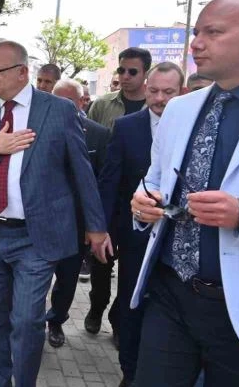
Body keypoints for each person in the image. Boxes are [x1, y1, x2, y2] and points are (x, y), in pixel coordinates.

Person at [131, 0, 239, 386]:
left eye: (213, 32)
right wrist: (143, 202)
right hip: (170, 293)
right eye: (197, 32)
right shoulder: (180, 109)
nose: (196, 43)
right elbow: (154, 179)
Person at [0, 41, 111, 387]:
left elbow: (82, 171)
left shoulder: (58, 111)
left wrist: (97, 227)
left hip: (36, 237)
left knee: (26, 322)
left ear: (23, 72)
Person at [97, 62, 184, 387]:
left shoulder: (192, 126)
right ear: (146, 88)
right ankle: (129, 372)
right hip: (135, 236)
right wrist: (101, 229)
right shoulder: (126, 127)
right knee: (130, 306)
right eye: (154, 91)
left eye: (168, 92)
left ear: (182, 92)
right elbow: (110, 180)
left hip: (180, 240)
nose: (159, 99)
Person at [85, 47, 151, 340]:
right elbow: (88, 145)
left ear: (145, 73)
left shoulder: (157, 105)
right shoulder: (102, 105)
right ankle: (96, 307)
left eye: (132, 71)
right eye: (121, 70)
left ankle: (119, 318)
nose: (125, 76)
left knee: (131, 268)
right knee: (101, 261)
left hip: (141, 202)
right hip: (107, 196)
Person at [45, 79, 110, 349]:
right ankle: (30, 323)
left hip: (77, 224)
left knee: (67, 277)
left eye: (67, 101)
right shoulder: (38, 127)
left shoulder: (99, 135)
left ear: (82, 102)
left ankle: (56, 321)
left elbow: (102, 183)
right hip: (42, 220)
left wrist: (94, 225)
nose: (60, 106)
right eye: (56, 99)